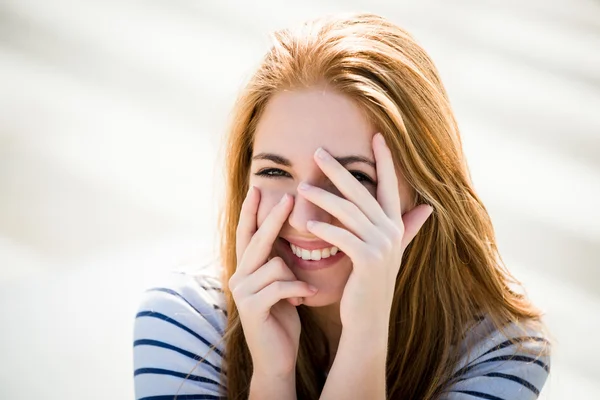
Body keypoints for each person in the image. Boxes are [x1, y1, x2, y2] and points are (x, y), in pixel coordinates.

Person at [133, 12, 550, 400]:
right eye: (276, 173)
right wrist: (272, 377)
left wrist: (365, 338)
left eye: (351, 178)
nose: (304, 219)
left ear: (423, 189)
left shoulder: (500, 348)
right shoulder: (184, 320)